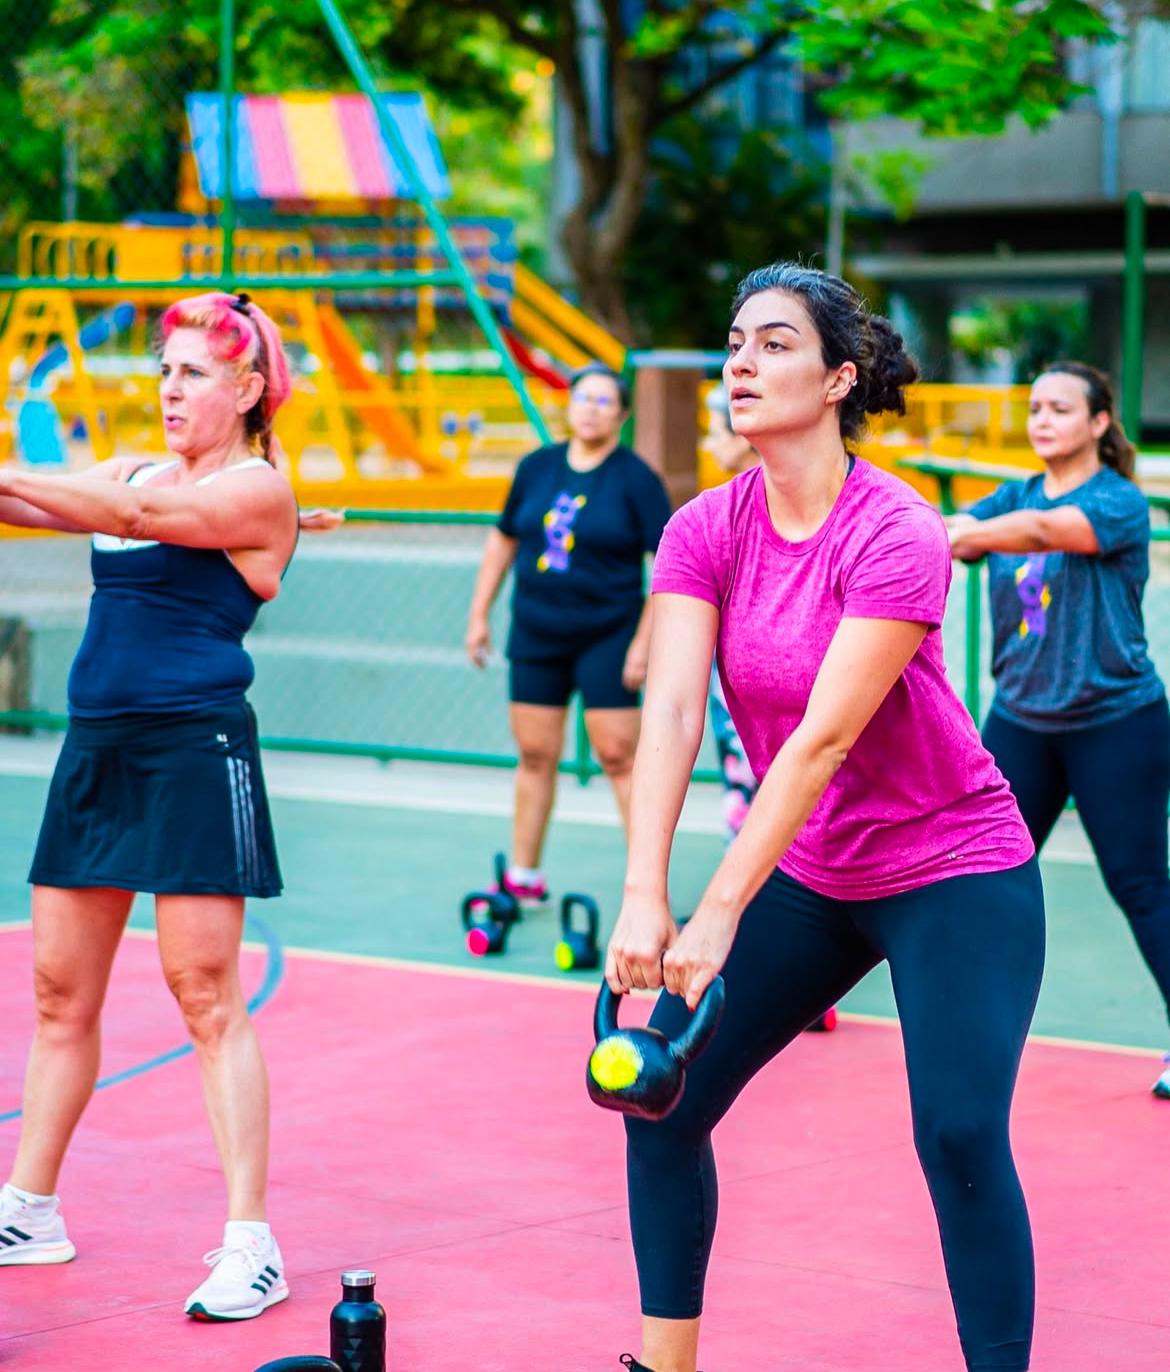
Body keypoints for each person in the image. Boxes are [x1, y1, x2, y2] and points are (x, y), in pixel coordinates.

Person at [604, 263, 1044, 1372]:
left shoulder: (896, 528)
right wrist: (645, 895)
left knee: (958, 1133)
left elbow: (820, 741)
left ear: (839, 376)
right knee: (656, 1090)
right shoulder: (707, 526)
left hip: (953, 864)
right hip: (815, 867)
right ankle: (663, 1365)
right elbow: (669, 715)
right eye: (735, 341)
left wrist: (713, 914)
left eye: (773, 344)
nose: (740, 362)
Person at [0, 290, 300, 1322]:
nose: (170, 389)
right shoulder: (132, 468)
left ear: (248, 388)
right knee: (55, 993)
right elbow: (37, 502)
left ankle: (251, 1243)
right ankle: (28, 1206)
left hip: (192, 746)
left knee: (205, 993)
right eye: (165, 371)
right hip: (99, 748)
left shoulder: (260, 490)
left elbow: (131, 522)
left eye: (195, 373)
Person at [947, 361, 1170, 1097]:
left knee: (1139, 884)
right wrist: (943, 528)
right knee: (980, 877)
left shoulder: (1118, 502)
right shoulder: (1012, 495)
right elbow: (961, 535)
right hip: (1021, 722)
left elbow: (1042, 530)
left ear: (1100, 423)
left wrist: (968, 530)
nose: (1043, 419)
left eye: (1060, 408)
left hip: (1116, 722)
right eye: (1035, 407)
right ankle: (969, 1037)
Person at [465, 362, 672, 901]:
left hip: (609, 636)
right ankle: (524, 876)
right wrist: (479, 613)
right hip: (536, 633)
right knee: (535, 754)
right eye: (584, 398)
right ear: (569, 404)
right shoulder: (537, 467)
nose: (592, 409)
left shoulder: (636, 480)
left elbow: (668, 566)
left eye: (605, 401)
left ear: (622, 415)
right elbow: (503, 540)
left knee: (619, 757)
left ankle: (646, 887)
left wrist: (644, 644)